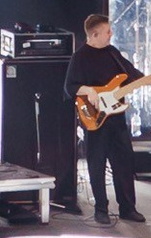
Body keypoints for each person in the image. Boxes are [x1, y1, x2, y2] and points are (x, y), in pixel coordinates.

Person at [61, 12, 145, 226]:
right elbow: (69, 87)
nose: (111, 34)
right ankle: (101, 209)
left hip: (117, 118)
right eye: (107, 31)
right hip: (96, 119)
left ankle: (128, 208)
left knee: (124, 162)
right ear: (95, 34)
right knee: (96, 164)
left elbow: (133, 75)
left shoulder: (113, 53)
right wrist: (88, 90)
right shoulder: (80, 57)